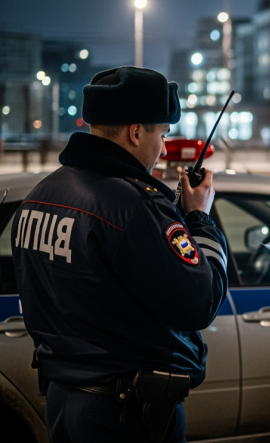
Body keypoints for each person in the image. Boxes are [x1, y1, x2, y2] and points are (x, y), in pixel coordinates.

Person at [12, 66, 229, 443]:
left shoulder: (41, 194)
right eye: (162, 133)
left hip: (65, 400)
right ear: (135, 132)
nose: (163, 148)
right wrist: (199, 219)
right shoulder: (132, 205)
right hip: (124, 414)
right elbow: (200, 301)